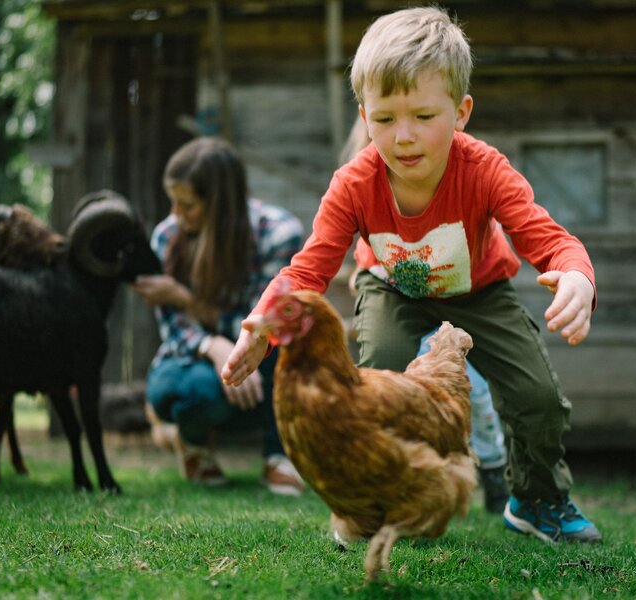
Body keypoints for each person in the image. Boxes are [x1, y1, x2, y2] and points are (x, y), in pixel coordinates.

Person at [223, 6, 601, 542]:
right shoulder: (354, 183)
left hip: (480, 292)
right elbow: (309, 266)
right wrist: (260, 324)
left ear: (461, 111)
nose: (403, 136)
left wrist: (576, 276)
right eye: (383, 120)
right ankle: (376, 503)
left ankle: (537, 499)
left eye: (424, 117)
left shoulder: (485, 171)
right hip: (392, 289)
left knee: (537, 397)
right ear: (364, 116)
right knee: (376, 378)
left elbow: (549, 239)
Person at [343, 114, 509, 515]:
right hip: (403, 310)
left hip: (457, 299)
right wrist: (365, 280)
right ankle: (405, 483)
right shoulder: (363, 187)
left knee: (476, 395)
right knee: (404, 398)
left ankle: (493, 468)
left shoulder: (462, 178)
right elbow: (365, 256)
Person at [132, 136, 306, 496]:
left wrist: (189, 301)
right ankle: (192, 444)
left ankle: (278, 456)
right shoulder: (166, 237)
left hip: (263, 361)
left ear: (221, 205)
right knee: (190, 392)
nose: (176, 215)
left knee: (293, 346)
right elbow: (173, 328)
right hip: (190, 361)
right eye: (173, 202)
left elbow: (268, 319)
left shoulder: (278, 234)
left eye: (188, 205)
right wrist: (212, 345)